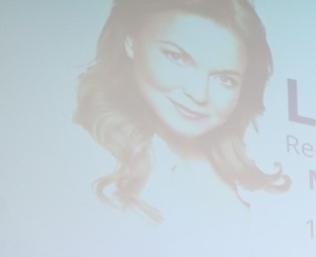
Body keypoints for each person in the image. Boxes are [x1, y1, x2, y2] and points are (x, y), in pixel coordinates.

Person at [74, 0, 289, 221]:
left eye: (225, 80)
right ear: (131, 40)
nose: (199, 94)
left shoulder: (245, 186)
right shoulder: (82, 154)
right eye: (177, 58)